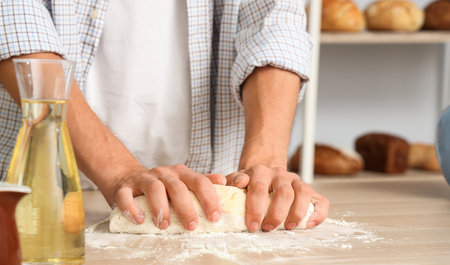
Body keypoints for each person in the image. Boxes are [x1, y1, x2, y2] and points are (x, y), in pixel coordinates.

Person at [0, 0, 329, 232]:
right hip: (39, 192)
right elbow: (15, 23)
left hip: (214, 188)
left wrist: (266, 163)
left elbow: (273, 24)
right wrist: (118, 172)